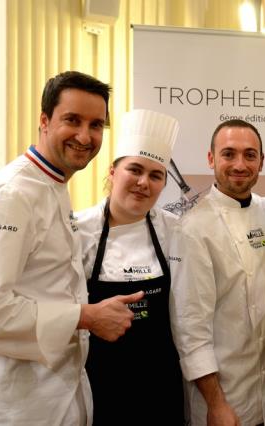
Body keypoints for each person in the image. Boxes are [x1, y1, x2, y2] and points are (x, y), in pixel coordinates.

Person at [0, 71, 143, 426]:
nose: (85, 136)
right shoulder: (7, 196)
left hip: (55, 394)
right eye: (72, 120)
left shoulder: (53, 186)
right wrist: (86, 316)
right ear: (44, 121)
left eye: (96, 124)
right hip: (16, 405)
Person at [169, 119, 265, 426]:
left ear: (262, 162)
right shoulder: (193, 229)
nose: (240, 164)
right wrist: (216, 404)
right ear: (211, 159)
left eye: (250, 155)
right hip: (227, 405)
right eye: (228, 154)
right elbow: (190, 327)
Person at [77, 109, 185, 424]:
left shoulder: (175, 231)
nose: (143, 183)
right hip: (99, 385)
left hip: (161, 386)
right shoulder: (78, 232)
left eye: (156, 175)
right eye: (134, 170)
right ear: (113, 171)